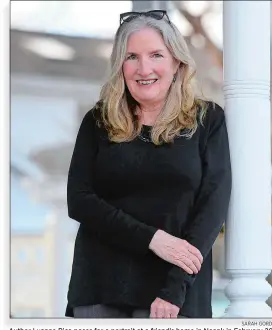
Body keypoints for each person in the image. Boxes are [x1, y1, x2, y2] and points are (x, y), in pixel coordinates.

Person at [65, 10, 231, 319]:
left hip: (173, 294)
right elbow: (79, 201)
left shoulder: (207, 121)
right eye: (132, 57)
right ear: (120, 66)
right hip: (100, 288)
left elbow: (211, 209)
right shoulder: (98, 121)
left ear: (176, 62)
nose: (144, 68)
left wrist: (175, 289)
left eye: (156, 55)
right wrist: (153, 240)